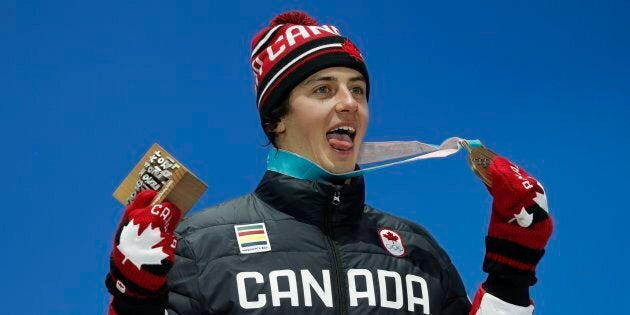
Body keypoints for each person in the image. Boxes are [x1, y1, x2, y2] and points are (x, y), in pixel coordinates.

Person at [105, 11, 553, 314]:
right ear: (277, 118)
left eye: (357, 90)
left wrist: (513, 269)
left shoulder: (418, 251)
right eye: (323, 89)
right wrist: (133, 302)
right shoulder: (201, 247)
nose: (348, 103)